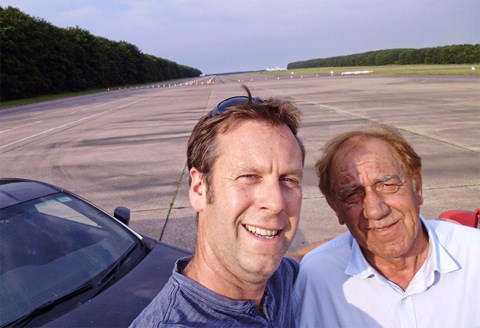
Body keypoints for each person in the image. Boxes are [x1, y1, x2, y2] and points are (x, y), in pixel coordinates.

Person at [131, 86, 305, 327]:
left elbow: (300, 258)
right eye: (248, 176)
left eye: (288, 180)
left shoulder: (277, 281)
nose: (275, 203)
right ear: (199, 189)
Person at [293, 124, 480, 327]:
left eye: (387, 185)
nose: (375, 210)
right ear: (335, 207)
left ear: (417, 186)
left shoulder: (473, 257)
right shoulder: (317, 278)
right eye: (352, 195)